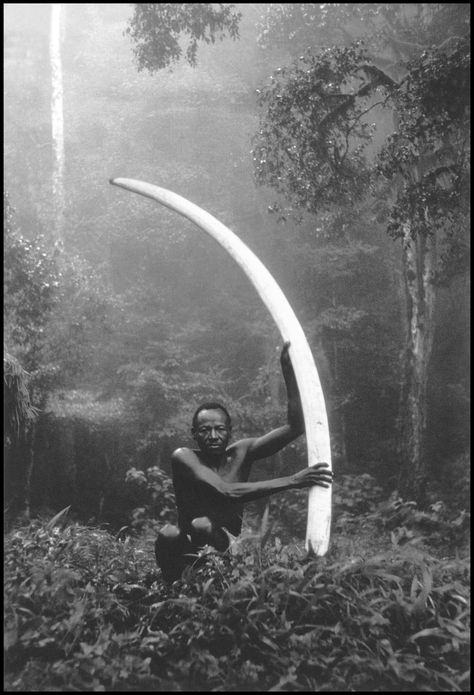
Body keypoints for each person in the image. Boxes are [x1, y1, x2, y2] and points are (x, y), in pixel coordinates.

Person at [155, 342, 333, 582]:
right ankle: (173, 586)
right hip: (189, 548)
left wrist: (289, 373)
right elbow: (224, 491)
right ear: (194, 433)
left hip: (223, 545)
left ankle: (217, 579)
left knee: (203, 525)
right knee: (171, 532)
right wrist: (292, 481)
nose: (213, 436)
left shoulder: (242, 451)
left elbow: (295, 427)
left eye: (219, 429)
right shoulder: (184, 456)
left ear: (229, 431)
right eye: (205, 430)